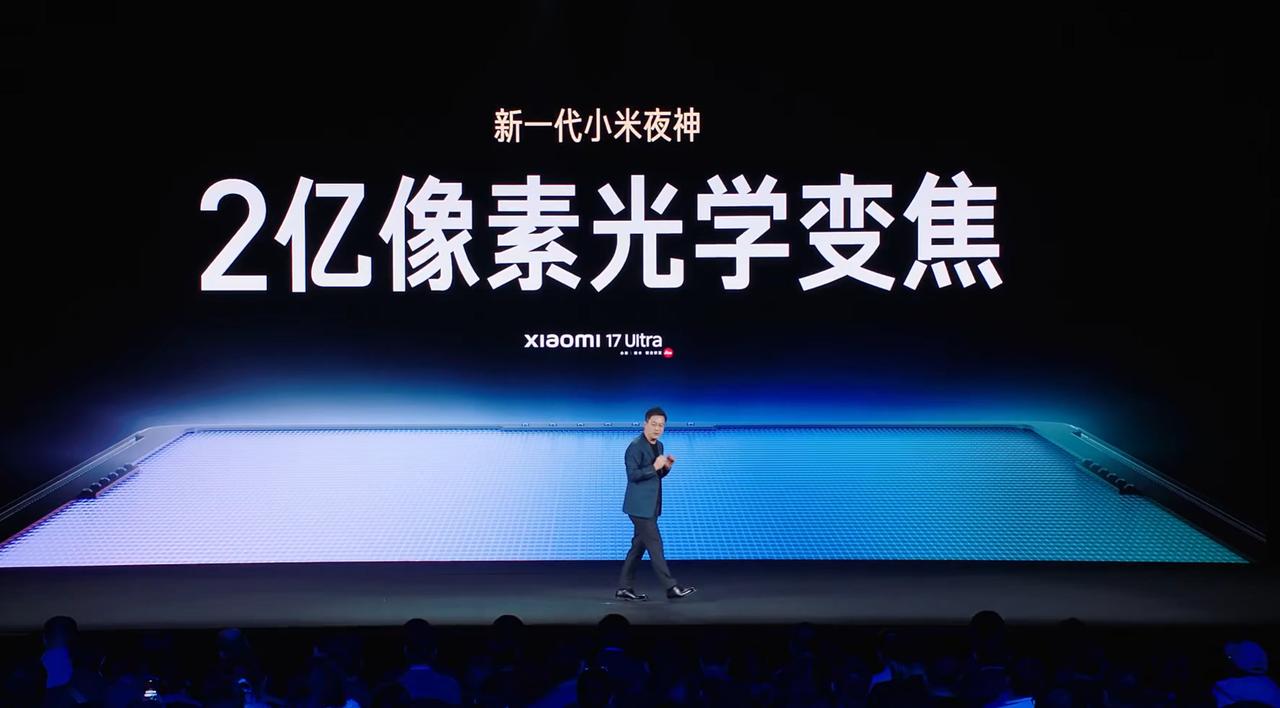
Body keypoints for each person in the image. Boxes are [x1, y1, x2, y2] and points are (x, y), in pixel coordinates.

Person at [615, 406, 696, 601]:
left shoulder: (659, 446)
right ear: (645, 424)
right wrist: (654, 466)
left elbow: (656, 476)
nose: (657, 428)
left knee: (638, 548)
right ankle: (670, 587)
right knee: (655, 544)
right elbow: (633, 476)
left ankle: (624, 588)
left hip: (651, 506)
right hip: (639, 507)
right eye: (654, 424)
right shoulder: (635, 447)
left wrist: (666, 467)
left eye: (661, 425)